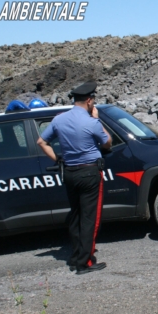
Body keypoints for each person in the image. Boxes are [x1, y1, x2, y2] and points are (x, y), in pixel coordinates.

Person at [37, 82, 112, 275]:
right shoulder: (91, 121)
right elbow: (107, 143)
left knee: (76, 215)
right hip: (89, 173)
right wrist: (97, 119)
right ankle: (84, 262)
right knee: (90, 218)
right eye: (93, 101)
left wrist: (58, 159)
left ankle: (76, 255)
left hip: (69, 172)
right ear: (88, 101)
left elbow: (41, 142)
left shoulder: (59, 120)